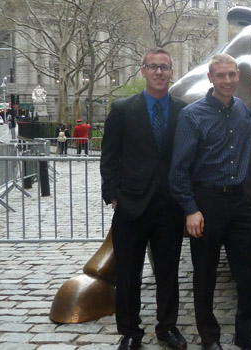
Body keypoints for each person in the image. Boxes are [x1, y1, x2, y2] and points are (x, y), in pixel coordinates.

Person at [169, 53, 251, 350]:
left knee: (250, 272)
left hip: (239, 200)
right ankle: (209, 338)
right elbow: (178, 171)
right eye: (221, 75)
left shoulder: (241, 109)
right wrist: (191, 209)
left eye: (231, 74)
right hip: (206, 201)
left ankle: (248, 335)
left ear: (238, 76)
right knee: (205, 275)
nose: (227, 80)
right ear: (210, 78)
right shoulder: (192, 115)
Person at [100, 48, 188, 350]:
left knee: (168, 273)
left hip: (169, 207)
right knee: (128, 273)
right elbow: (109, 156)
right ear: (143, 71)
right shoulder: (123, 109)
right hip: (131, 205)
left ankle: (168, 328)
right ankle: (130, 332)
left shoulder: (183, 110)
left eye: (165, 67)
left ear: (172, 72)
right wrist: (112, 195)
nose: (159, 72)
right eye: (153, 66)